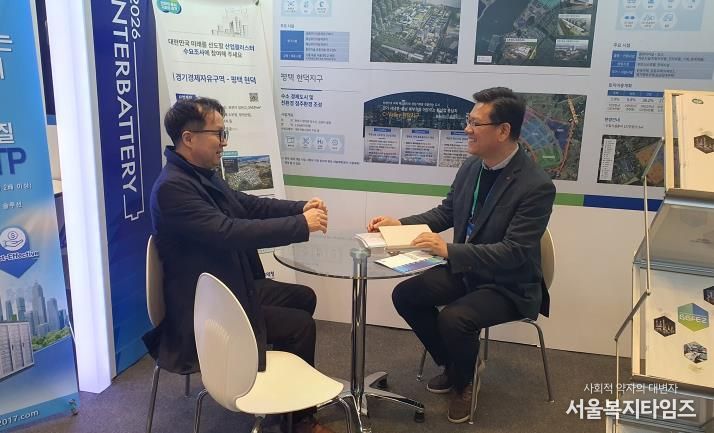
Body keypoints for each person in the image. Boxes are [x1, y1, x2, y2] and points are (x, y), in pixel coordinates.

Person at [143, 97, 334, 433]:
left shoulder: (199, 174)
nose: (224, 141)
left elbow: (246, 206)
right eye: (218, 133)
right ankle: (300, 422)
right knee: (300, 326)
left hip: (228, 286)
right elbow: (228, 232)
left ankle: (273, 392)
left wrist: (299, 208)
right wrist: (300, 225)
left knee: (303, 297)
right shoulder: (173, 188)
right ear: (188, 138)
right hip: (204, 310)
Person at [367, 87, 556, 423]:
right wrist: (400, 224)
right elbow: (447, 212)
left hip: (509, 284)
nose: (467, 129)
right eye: (468, 121)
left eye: (475, 123)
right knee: (406, 295)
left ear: (503, 131)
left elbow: (514, 252)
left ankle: (463, 383)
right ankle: (458, 366)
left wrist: (449, 250)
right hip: (468, 270)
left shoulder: (536, 186)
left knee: (454, 318)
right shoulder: (472, 167)